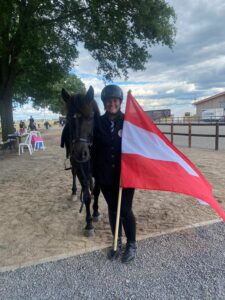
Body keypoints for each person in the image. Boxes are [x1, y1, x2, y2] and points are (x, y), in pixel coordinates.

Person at [93, 84, 136, 263]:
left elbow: (137, 147)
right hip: (104, 176)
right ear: (104, 103)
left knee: (125, 210)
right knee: (112, 209)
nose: (112, 103)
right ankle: (116, 241)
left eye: (115, 100)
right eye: (109, 100)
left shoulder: (129, 123)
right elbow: (92, 149)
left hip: (125, 176)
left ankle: (132, 244)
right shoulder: (97, 123)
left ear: (120, 102)